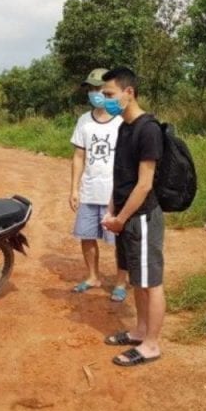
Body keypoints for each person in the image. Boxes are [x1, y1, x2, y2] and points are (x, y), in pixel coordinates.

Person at [100, 67, 165, 367]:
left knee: (151, 282)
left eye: (109, 94)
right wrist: (112, 210)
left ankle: (152, 344)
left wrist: (121, 218)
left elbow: (144, 184)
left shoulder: (148, 129)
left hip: (142, 217)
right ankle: (139, 331)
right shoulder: (123, 127)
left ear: (129, 92)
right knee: (138, 280)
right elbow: (121, 177)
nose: (105, 100)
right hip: (126, 217)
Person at [69, 68, 128, 302]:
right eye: (91, 89)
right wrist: (74, 189)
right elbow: (78, 156)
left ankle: (121, 282)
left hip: (114, 194)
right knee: (86, 235)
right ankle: (93, 276)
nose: (95, 93)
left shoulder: (122, 121)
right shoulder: (84, 121)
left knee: (119, 241)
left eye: (100, 88)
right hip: (89, 191)